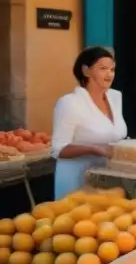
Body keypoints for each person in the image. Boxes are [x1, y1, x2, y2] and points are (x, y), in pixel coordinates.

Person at [51, 47, 129, 199]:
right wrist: (93, 149)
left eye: (112, 69)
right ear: (86, 71)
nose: (109, 74)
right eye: (103, 68)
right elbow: (58, 150)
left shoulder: (115, 97)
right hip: (76, 181)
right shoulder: (69, 103)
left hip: (108, 179)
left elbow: (116, 135)